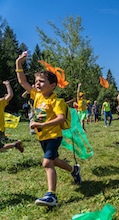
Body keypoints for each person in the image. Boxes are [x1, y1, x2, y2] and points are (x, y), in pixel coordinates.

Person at [16, 52, 81, 207]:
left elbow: (60, 118)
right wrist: (19, 63)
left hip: (53, 135)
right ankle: (74, 170)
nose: (37, 84)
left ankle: (51, 196)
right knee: (55, 161)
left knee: (47, 163)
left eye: (41, 81)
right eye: (36, 81)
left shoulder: (56, 101)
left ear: (52, 85)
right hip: (42, 137)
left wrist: (41, 125)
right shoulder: (36, 96)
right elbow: (22, 81)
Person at [0, 80, 24, 153]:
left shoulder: (0, 102)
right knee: (0, 148)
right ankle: (15, 144)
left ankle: (15, 144)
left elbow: (10, 95)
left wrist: (7, 85)